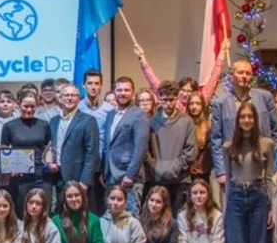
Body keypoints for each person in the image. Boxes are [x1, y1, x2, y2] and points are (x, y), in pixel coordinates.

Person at [223, 102, 276, 243]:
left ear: (255, 120)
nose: (246, 120)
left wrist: (271, 207)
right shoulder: (228, 146)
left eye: (250, 117)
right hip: (235, 198)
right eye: (242, 116)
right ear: (238, 120)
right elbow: (227, 180)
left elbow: (269, 177)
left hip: (258, 197)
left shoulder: (267, 144)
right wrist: (226, 210)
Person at [209, 59, 277, 188]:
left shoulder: (265, 97)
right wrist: (221, 171)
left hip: (262, 164)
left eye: (248, 73)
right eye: (240, 72)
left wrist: (274, 165)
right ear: (231, 76)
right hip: (233, 165)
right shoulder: (220, 103)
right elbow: (216, 139)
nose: (244, 76)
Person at [149, 80, 197, 214]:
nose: (168, 104)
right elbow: (146, 151)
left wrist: (174, 168)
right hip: (158, 178)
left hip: (180, 179)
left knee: (178, 218)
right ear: (159, 99)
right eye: (164, 100)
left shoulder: (187, 121)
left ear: (177, 98)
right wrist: (156, 167)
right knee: (158, 217)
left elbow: (191, 151)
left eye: (171, 99)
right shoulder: (152, 121)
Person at [102, 77, 150, 212]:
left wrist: (130, 174)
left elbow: (141, 148)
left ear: (133, 92)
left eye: (126, 90)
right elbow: (108, 145)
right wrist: (104, 171)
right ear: (114, 92)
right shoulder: (111, 114)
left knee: (130, 217)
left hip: (129, 177)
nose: (123, 93)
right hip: (111, 175)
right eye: (119, 90)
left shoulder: (139, 114)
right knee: (112, 217)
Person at [48, 84, 100, 207]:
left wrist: (84, 181)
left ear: (78, 98)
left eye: (73, 95)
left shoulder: (88, 120)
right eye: (66, 95)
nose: (70, 98)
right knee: (60, 213)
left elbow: (92, 154)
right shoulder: (54, 121)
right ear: (60, 98)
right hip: (57, 175)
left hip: (78, 178)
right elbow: (50, 147)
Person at [0, 90, 54, 207]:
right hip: (20, 177)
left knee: (43, 210)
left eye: (32, 106)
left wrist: (49, 163)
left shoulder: (44, 125)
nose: (29, 110)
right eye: (25, 106)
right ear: (18, 104)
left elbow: (48, 149)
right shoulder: (9, 126)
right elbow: (4, 151)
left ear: (37, 106)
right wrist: (10, 168)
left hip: (41, 175)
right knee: (21, 212)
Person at [78, 69, 114, 140]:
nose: (93, 87)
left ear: (101, 85)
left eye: (96, 83)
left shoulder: (110, 109)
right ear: (83, 85)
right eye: (89, 83)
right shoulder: (77, 108)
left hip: (103, 150)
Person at [186, 92, 213, 185]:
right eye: (191, 103)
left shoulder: (209, 125)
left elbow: (211, 148)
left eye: (198, 103)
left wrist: (203, 167)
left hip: (204, 172)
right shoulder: (183, 123)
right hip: (186, 172)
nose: (194, 107)